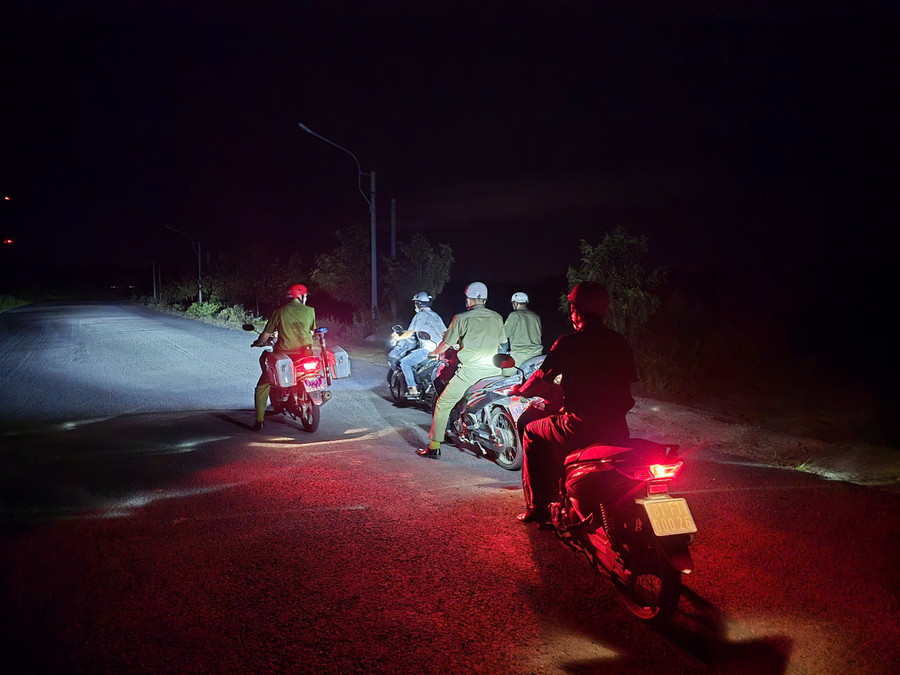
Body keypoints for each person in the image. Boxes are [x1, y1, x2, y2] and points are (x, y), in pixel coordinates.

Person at [509, 281, 637, 522]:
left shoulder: (568, 343)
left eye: (572, 308)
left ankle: (536, 507)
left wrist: (521, 390)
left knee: (531, 431)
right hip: (617, 426)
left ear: (576, 311)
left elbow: (540, 377)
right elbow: (627, 380)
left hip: (578, 426)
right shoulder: (620, 343)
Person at [416, 281, 507, 457]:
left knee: (443, 404)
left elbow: (446, 343)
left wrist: (433, 353)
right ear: (485, 299)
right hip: (494, 370)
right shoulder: (497, 317)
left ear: (468, 300)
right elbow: (502, 342)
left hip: (470, 373)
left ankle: (434, 446)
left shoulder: (461, 318)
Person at [251, 283, 317, 431]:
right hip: (306, 355)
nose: (306, 299)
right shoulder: (310, 311)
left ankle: (259, 420)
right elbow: (311, 331)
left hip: (285, 356)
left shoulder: (279, 312)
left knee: (263, 385)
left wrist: (259, 342)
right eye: (305, 296)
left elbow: (265, 335)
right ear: (300, 297)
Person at [390, 291, 447, 399]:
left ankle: (413, 389)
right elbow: (445, 332)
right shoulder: (436, 316)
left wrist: (398, 338)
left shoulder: (420, 315)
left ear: (418, 303)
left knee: (405, 362)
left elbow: (410, 332)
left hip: (428, 349)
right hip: (440, 350)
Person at [504, 291, 543, 369]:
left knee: (507, 374)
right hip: (536, 356)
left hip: (519, 356)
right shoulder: (535, 316)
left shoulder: (514, 315)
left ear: (515, 303)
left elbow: (504, 335)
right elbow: (540, 333)